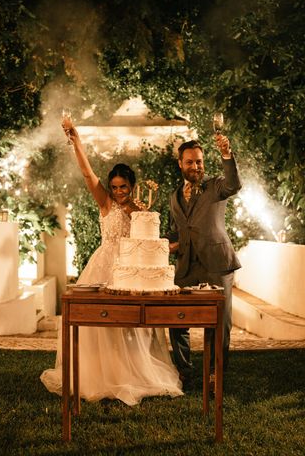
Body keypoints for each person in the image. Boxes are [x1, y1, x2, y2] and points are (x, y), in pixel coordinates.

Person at [40, 115, 182, 406]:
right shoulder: (104, 202)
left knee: (130, 326)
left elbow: (149, 238)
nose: (118, 192)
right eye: (114, 187)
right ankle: (99, 376)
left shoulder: (139, 208)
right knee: (98, 326)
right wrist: (76, 141)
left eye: (123, 187)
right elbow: (86, 172)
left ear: (131, 186)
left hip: (131, 270)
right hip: (103, 265)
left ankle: (130, 373)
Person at [167, 134, 242, 391]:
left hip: (217, 263)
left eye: (199, 162)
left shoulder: (216, 187)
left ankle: (214, 374)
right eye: (190, 162)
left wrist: (227, 154)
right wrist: (165, 244)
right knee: (176, 322)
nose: (196, 167)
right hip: (186, 267)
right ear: (180, 164)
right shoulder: (173, 196)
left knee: (220, 323)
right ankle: (184, 373)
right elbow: (177, 231)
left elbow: (234, 184)